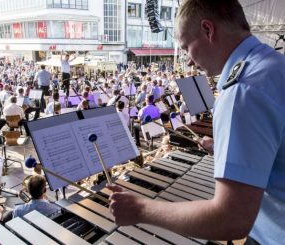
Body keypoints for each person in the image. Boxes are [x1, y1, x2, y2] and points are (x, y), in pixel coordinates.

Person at [108, 1, 285, 244]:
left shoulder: (242, 91)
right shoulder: (274, 65)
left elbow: (230, 219)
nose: (188, 61)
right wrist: (224, 149)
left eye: (186, 47)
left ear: (208, 30)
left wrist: (141, 210)